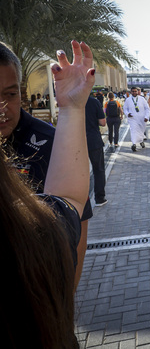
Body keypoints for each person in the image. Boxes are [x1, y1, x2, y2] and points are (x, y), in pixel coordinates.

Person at [0, 40, 94, 347]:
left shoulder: (47, 140)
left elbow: (73, 219)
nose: (2, 108)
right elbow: (69, 201)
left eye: (10, 94)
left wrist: (62, 300)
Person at [85, 94, 107, 206]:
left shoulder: (72, 102)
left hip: (76, 141)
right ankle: (99, 198)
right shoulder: (94, 102)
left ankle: (82, 201)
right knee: (98, 169)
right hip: (93, 140)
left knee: (80, 172)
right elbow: (103, 122)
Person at [123, 86, 150, 152]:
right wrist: (127, 114)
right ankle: (134, 144)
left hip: (142, 118)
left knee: (141, 131)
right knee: (134, 130)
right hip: (132, 118)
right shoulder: (128, 100)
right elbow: (125, 109)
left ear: (137, 92)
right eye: (133, 91)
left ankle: (141, 141)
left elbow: (147, 108)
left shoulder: (142, 99)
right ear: (131, 92)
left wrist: (147, 117)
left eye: (135, 91)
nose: (134, 92)